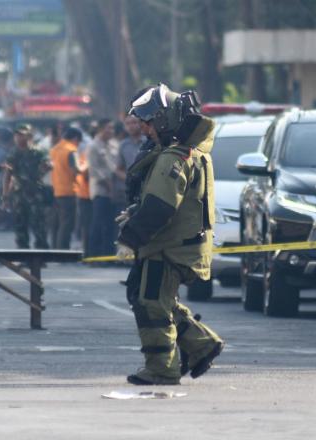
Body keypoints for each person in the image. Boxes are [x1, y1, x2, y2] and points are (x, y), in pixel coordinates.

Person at [117, 84, 224, 386]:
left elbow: (160, 207)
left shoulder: (173, 157)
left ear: (164, 120)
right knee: (156, 300)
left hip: (168, 247)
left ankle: (162, 368)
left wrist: (131, 237)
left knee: (152, 303)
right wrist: (135, 215)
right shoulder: (191, 153)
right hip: (178, 245)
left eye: (150, 122)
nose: (147, 129)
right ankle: (202, 345)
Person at [2, 124, 51, 249]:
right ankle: (23, 255)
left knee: (39, 225)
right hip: (19, 194)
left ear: (29, 136)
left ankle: (41, 256)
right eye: (17, 135)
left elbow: (49, 165)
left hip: (35, 193)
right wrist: (5, 196)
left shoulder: (38, 152)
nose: (19, 138)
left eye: (22, 135)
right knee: (20, 226)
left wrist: (42, 170)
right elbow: (7, 175)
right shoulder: (13, 154)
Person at [87, 119, 118, 257]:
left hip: (114, 191)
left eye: (112, 128)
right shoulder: (93, 146)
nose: (111, 131)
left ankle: (108, 254)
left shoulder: (113, 144)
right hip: (101, 191)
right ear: (100, 129)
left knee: (111, 225)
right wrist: (109, 186)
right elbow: (94, 171)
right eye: (108, 128)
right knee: (98, 224)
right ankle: (94, 255)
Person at [49, 127, 84, 249]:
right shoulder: (71, 151)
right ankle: (63, 250)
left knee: (57, 223)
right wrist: (85, 165)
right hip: (69, 190)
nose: (78, 144)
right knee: (67, 224)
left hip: (56, 189)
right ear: (75, 139)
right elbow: (76, 170)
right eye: (78, 142)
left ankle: (55, 248)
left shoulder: (54, 149)